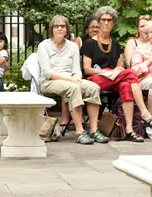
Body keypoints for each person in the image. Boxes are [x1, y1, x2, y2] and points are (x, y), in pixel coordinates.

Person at [81, 6, 152, 142]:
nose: (107, 23)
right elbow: (87, 69)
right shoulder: (89, 43)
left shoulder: (114, 43)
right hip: (96, 79)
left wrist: (118, 70)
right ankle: (145, 113)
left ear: (114, 23)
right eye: (104, 20)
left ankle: (128, 130)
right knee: (131, 74)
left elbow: (120, 64)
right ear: (98, 21)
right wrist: (105, 72)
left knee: (126, 85)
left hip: (115, 78)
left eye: (110, 20)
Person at [38, 15, 109, 145]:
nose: (59, 28)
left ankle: (94, 130)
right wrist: (72, 81)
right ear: (51, 29)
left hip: (71, 80)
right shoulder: (44, 46)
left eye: (62, 26)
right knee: (74, 89)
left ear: (67, 29)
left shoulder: (72, 46)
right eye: (56, 26)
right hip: (50, 82)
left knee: (94, 87)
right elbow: (47, 73)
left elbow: (77, 70)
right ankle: (80, 131)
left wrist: (77, 78)